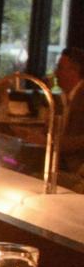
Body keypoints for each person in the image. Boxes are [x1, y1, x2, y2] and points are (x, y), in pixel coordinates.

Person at [54, 47, 84, 178]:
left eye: (60, 68)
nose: (55, 73)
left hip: (75, 168)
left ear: (75, 71)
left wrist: (49, 142)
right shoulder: (65, 97)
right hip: (62, 163)